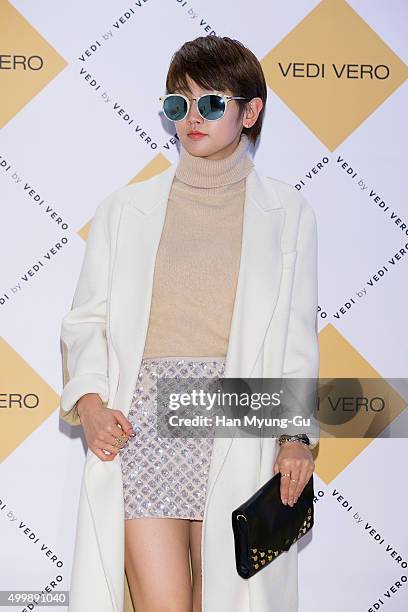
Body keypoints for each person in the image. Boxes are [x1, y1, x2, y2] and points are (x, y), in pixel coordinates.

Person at [59, 35, 319, 612]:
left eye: (211, 103)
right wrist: (93, 403)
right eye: (178, 105)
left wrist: (296, 437)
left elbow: (297, 339)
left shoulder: (289, 215)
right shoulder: (123, 211)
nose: (191, 119)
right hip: (144, 421)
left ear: (250, 112)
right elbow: (87, 321)